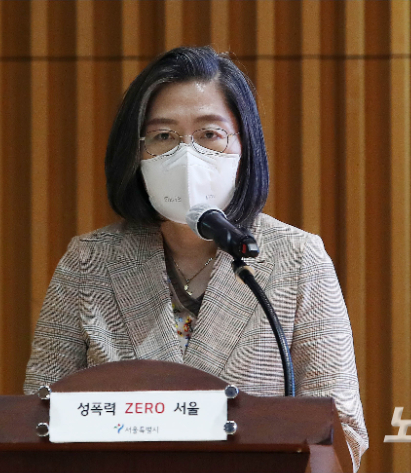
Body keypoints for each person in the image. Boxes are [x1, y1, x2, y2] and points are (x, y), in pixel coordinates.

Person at [24, 46, 368, 470]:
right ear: (135, 152)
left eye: (209, 134)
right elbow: (35, 420)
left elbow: (342, 429)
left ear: (244, 145)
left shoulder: (297, 259)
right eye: (163, 136)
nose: (187, 156)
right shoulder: (89, 262)